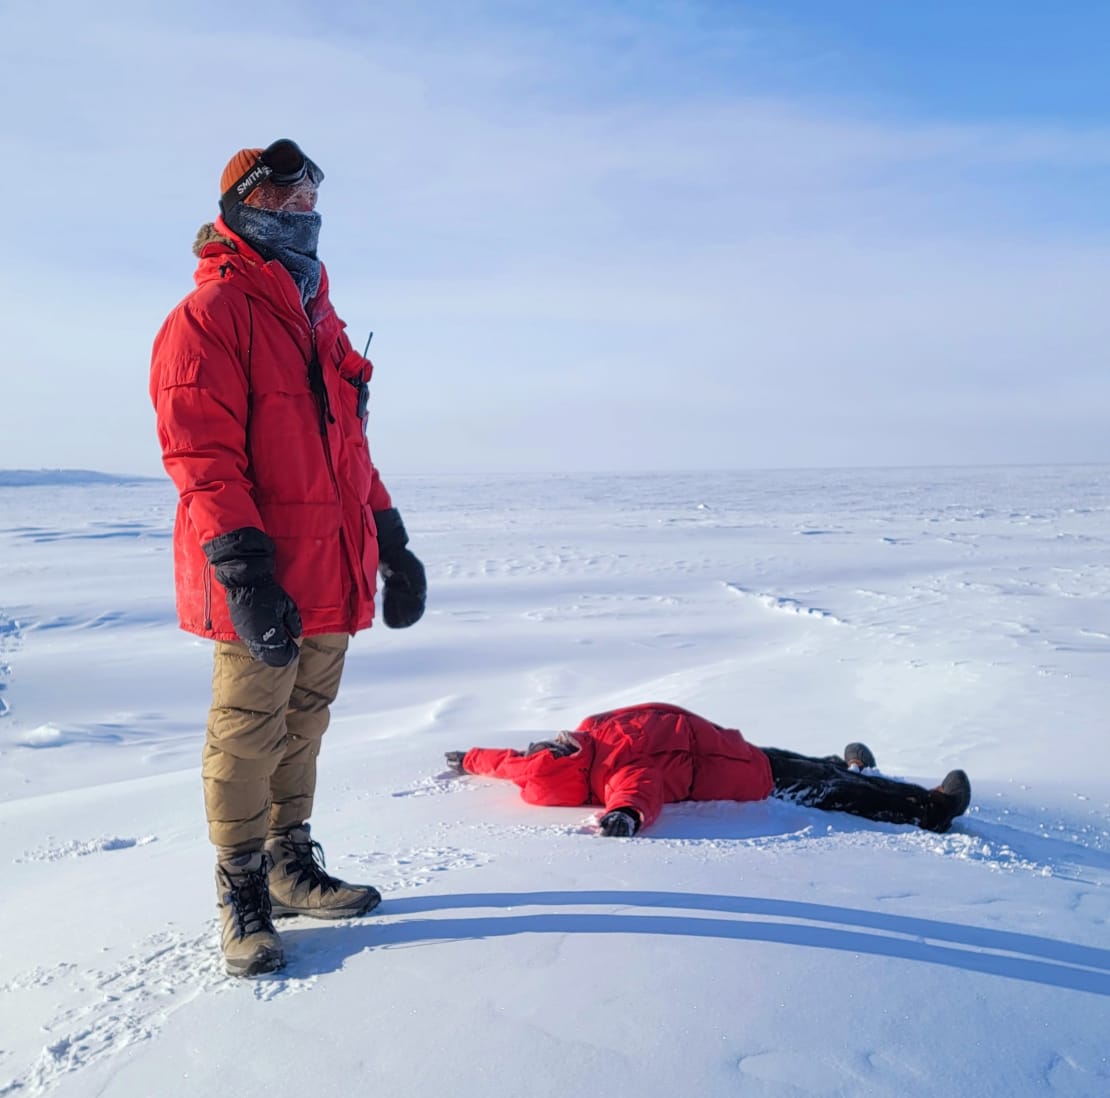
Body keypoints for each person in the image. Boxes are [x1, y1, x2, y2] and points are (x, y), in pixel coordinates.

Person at [150, 140, 426, 977]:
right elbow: (201, 461)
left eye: (309, 204)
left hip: (331, 565)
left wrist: (392, 538)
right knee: (246, 734)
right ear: (241, 212)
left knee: (302, 726)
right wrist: (245, 573)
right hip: (262, 576)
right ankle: (241, 891)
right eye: (281, 203)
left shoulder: (320, 320)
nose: (300, 215)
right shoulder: (209, 318)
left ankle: (287, 863)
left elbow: (349, 451)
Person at [445, 702, 971, 837]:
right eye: (555, 749)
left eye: (547, 744)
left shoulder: (586, 735)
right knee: (827, 790)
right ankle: (930, 809)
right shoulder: (615, 776)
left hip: (733, 749)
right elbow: (639, 794)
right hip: (746, 780)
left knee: (814, 764)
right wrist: (624, 816)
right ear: (567, 766)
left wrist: (469, 759)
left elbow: (504, 763)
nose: (554, 740)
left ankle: (851, 764)